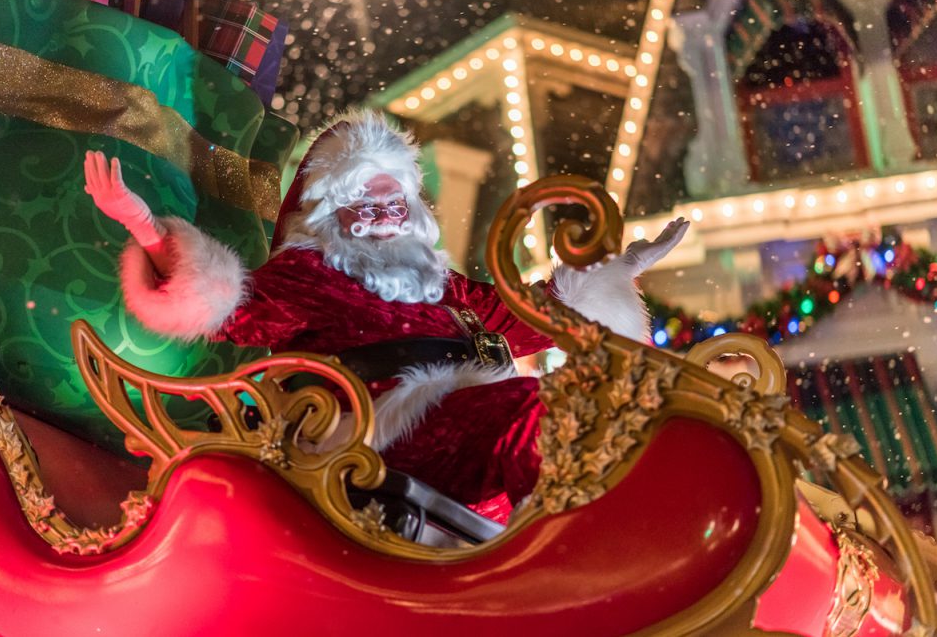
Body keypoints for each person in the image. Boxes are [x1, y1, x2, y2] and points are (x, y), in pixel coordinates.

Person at [83, 109, 688, 522]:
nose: (385, 212)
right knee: (543, 409)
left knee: (595, 405)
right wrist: (145, 227)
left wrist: (619, 270)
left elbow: (529, 317)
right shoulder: (309, 274)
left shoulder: (440, 284)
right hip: (387, 430)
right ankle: (582, 553)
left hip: (473, 423)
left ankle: (637, 531)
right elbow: (232, 307)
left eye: (393, 198)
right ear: (330, 211)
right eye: (365, 200)